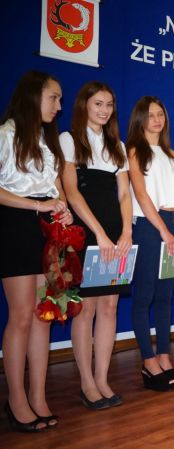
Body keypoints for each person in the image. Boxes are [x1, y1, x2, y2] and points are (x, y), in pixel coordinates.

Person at [0, 71, 72, 431]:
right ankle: (15, 399)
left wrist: (62, 206)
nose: (58, 106)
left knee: (45, 314)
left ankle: (38, 397)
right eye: (53, 97)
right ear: (33, 96)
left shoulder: (47, 140)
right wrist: (36, 205)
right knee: (22, 316)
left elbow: (54, 186)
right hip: (16, 226)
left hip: (47, 228)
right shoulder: (5, 134)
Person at [60, 81, 131, 409]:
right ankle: (86, 383)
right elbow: (72, 192)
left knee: (109, 307)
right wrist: (99, 234)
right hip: (86, 233)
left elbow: (125, 193)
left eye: (109, 105)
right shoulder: (69, 139)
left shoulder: (117, 145)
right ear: (84, 105)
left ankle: (102, 379)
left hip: (116, 235)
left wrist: (126, 232)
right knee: (85, 309)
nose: (104, 110)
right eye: (98, 104)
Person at [127, 96, 174, 390]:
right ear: (141, 118)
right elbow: (141, 195)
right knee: (145, 295)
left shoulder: (171, 154)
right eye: (151, 115)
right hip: (148, 226)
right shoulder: (134, 151)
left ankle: (164, 356)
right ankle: (148, 360)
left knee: (166, 295)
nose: (157, 120)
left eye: (161, 114)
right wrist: (164, 230)